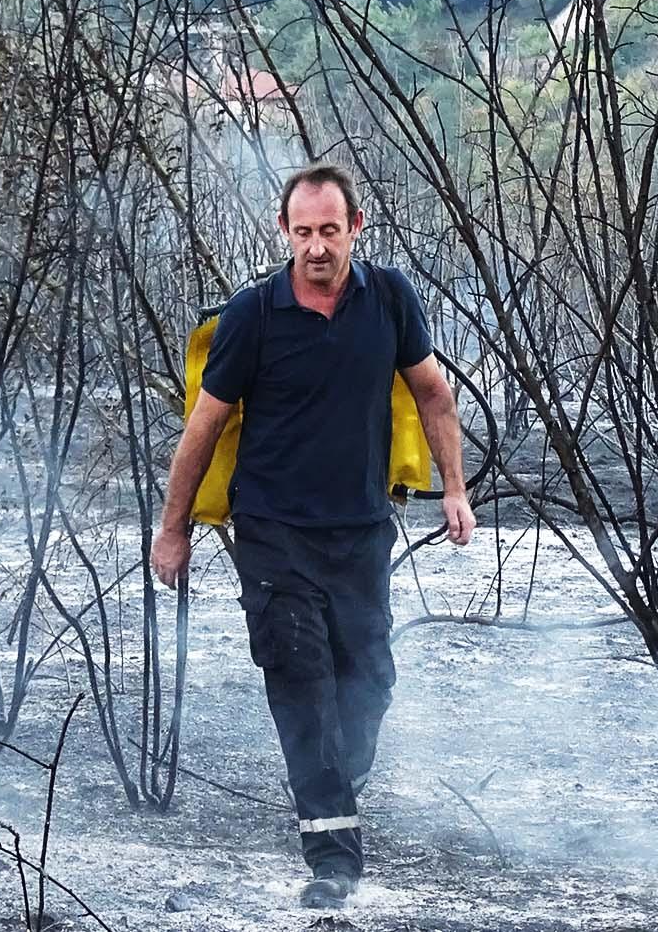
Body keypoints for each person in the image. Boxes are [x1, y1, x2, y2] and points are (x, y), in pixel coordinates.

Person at [150, 161, 475, 909]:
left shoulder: (389, 299)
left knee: (367, 687)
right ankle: (333, 858)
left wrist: (453, 489)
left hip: (361, 532)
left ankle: (333, 778)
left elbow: (432, 392)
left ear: (356, 228)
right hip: (273, 535)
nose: (318, 246)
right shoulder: (253, 314)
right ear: (284, 232)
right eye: (304, 232)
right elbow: (204, 425)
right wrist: (174, 531)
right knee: (301, 684)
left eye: (331, 230)